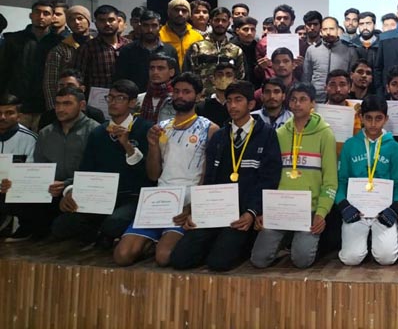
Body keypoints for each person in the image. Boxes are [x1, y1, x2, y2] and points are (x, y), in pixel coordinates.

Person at [171, 80, 281, 272]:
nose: (232, 106)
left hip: (242, 214)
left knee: (218, 263)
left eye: (238, 100)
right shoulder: (220, 137)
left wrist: (252, 212)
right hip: (215, 211)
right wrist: (197, 209)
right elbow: (209, 178)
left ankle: (238, 245)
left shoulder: (267, 134)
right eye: (229, 101)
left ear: (251, 104)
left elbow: (269, 178)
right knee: (179, 259)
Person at [115, 74, 219, 267]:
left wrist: (194, 207)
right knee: (122, 255)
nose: (180, 96)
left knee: (165, 257)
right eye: (176, 91)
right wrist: (153, 146)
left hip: (186, 203)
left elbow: (208, 176)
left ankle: (157, 245)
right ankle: (149, 244)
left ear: (198, 96)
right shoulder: (160, 128)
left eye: (186, 92)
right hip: (159, 200)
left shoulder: (210, 129)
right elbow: (153, 175)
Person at [51, 80, 152, 246]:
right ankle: (99, 235)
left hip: (131, 197)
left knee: (113, 223)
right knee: (61, 225)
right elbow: (86, 170)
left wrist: (127, 146)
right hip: (99, 196)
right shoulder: (98, 132)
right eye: (110, 98)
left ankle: (107, 234)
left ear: (132, 102)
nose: (113, 103)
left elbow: (149, 173)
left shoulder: (145, 129)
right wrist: (71, 191)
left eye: (120, 98)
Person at [250, 82, 337, 269]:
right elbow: (269, 176)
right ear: (289, 103)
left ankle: (304, 241)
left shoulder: (325, 134)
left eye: (303, 99)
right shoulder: (279, 134)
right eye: (294, 100)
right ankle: (287, 238)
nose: (298, 104)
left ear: (313, 103)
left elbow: (331, 181)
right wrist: (264, 210)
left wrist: (321, 213)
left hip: (310, 209)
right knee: (259, 260)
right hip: (280, 207)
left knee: (302, 261)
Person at [2, 87, 99, 241]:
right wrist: (15, 183)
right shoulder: (45, 133)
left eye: (67, 104)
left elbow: (98, 172)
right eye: (58, 104)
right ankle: (30, 230)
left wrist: (68, 185)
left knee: (63, 227)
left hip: (81, 190)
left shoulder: (96, 131)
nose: (60, 109)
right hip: (49, 190)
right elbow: (38, 169)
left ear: (81, 105)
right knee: (10, 197)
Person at [335, 95, 398, 266]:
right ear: (361, 118)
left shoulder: (394, 147)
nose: (373, 123)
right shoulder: (350, 145)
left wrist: (395, 207)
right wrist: (344, 205)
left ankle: (376, 243)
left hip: (383, 210)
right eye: (369, 118)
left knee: (386, 258)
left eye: (379, 118)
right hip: (357, 211)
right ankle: (362, 244)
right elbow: (341, 180)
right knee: (350, 259)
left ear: (386, 119)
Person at [0, 0, 55, 128]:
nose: (41, 16)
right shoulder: (13, 40)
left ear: (52, 17)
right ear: (31, 15)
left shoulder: (58, 43)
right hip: (16, 106)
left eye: (46, 13)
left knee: (42, 145)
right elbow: (3, 71)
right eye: (37, 12)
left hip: (45, 108)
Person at [183, 7, 245, 96]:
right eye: (217, 20)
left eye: (224, 20)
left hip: (228, 100)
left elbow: (240, 78)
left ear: (229, 23)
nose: (220, 23)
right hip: (202, 99)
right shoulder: (197, 47)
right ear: (210, 21)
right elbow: (188, 75)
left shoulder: (236, 50)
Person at [0, 95, 38, 235]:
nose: (3, 117)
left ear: (19, 116)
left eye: (9, 113)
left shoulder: (30, 139)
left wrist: (14, 183)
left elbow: (33, 176)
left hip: (15, 194)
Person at [43, 5, 93, 110]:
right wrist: (54, 108)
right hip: (67, 105)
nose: (76, 22)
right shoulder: (59, 50)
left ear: (88, 20)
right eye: (71, 19)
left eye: (80, 18)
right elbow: (50, 83)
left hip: (94, 102)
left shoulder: (97, 46)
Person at [114, 10, 178, 92]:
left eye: (154, 26)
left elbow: (175, 78)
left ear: (160, 27)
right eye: (146, 25)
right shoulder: (127, 50)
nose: (150, 30)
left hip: (164, 98)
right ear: (140, 27)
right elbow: (120, 79)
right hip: (134, 98)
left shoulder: (170, 50)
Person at [303, 17, 358, 102]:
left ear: (337, 30)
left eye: (332, 29)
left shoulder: (349, 50)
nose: (328, 32)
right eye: (325, 29)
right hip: (316, 99)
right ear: (321, 31)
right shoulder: (311, 50)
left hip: (340, 98)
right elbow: (306, 77)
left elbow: (353, 78)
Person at [77, 4, 130, 93]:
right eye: (102, 20)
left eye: (111, 20)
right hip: (97, 101)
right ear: (96, 23)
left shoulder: (129, 45)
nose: (107, 24)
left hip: (126, 99)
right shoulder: (87, 48)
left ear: (118, 21)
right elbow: (78, 78)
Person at [38, 69, 105, 130]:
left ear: (82, 89)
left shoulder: (95, 116)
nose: (65, 89)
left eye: (70, 85)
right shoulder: (47, 118)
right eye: (61, 86)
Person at [158, 0, 203, 68]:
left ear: (189, 14)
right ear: (169, 13)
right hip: (167, 77)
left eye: (184, 11)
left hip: (190, 77)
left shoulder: (197, 37)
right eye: (176, 10)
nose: (180, 14)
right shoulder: (159, 35)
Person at [137, 53, 178, 123]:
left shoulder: (177, 98)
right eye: (152, 68)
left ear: (171, 72)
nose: (155, 72)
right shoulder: (140, 98)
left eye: (160, 68)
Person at [195, 62, 236, 127]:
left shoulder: (240, 106)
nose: (224, 78)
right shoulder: (201, 108)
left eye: (228, 75)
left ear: (235, 80)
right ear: (213, 79)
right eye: (220, 75)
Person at [231, 16, 259, 81]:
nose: (250, 33)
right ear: (237, 31)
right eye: (246, 29)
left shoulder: (257, 47)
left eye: (253, 29)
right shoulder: (230, 48)